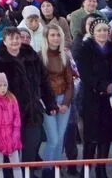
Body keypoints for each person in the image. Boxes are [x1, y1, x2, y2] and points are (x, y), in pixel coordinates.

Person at [0, 27, 57, 168]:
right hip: (6, 115)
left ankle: (28, 173)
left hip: (31, 111)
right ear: (4, 41)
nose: (15, 41)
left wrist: (50, 103)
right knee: (9, 152)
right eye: (11, 38)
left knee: (31, 147)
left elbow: (44, 82)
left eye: (17, 37)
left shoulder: (32, 57)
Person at [75, 17, 112, 178]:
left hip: (109, 99)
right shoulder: (85, 49)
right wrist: (103, 86)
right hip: (91, 97)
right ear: (93, 32)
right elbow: (85, 73)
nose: (102, 33)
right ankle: (85, 169)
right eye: (99, 30)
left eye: (105, 30)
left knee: (105, 135)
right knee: (90, 136)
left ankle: (101, 169)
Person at [39, 24, 73, 168]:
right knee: (52, 139)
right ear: (46, 37)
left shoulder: (64, 55)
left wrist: (65, 103)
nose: (56, 38)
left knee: (60, 139)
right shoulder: (39, 56)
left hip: (64, 99)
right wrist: (52, 103)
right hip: (48, 102)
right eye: (52, 35)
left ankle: (56, 169)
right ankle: (48, 170)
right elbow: (40, 84)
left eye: (58, 35)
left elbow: (70, 82)